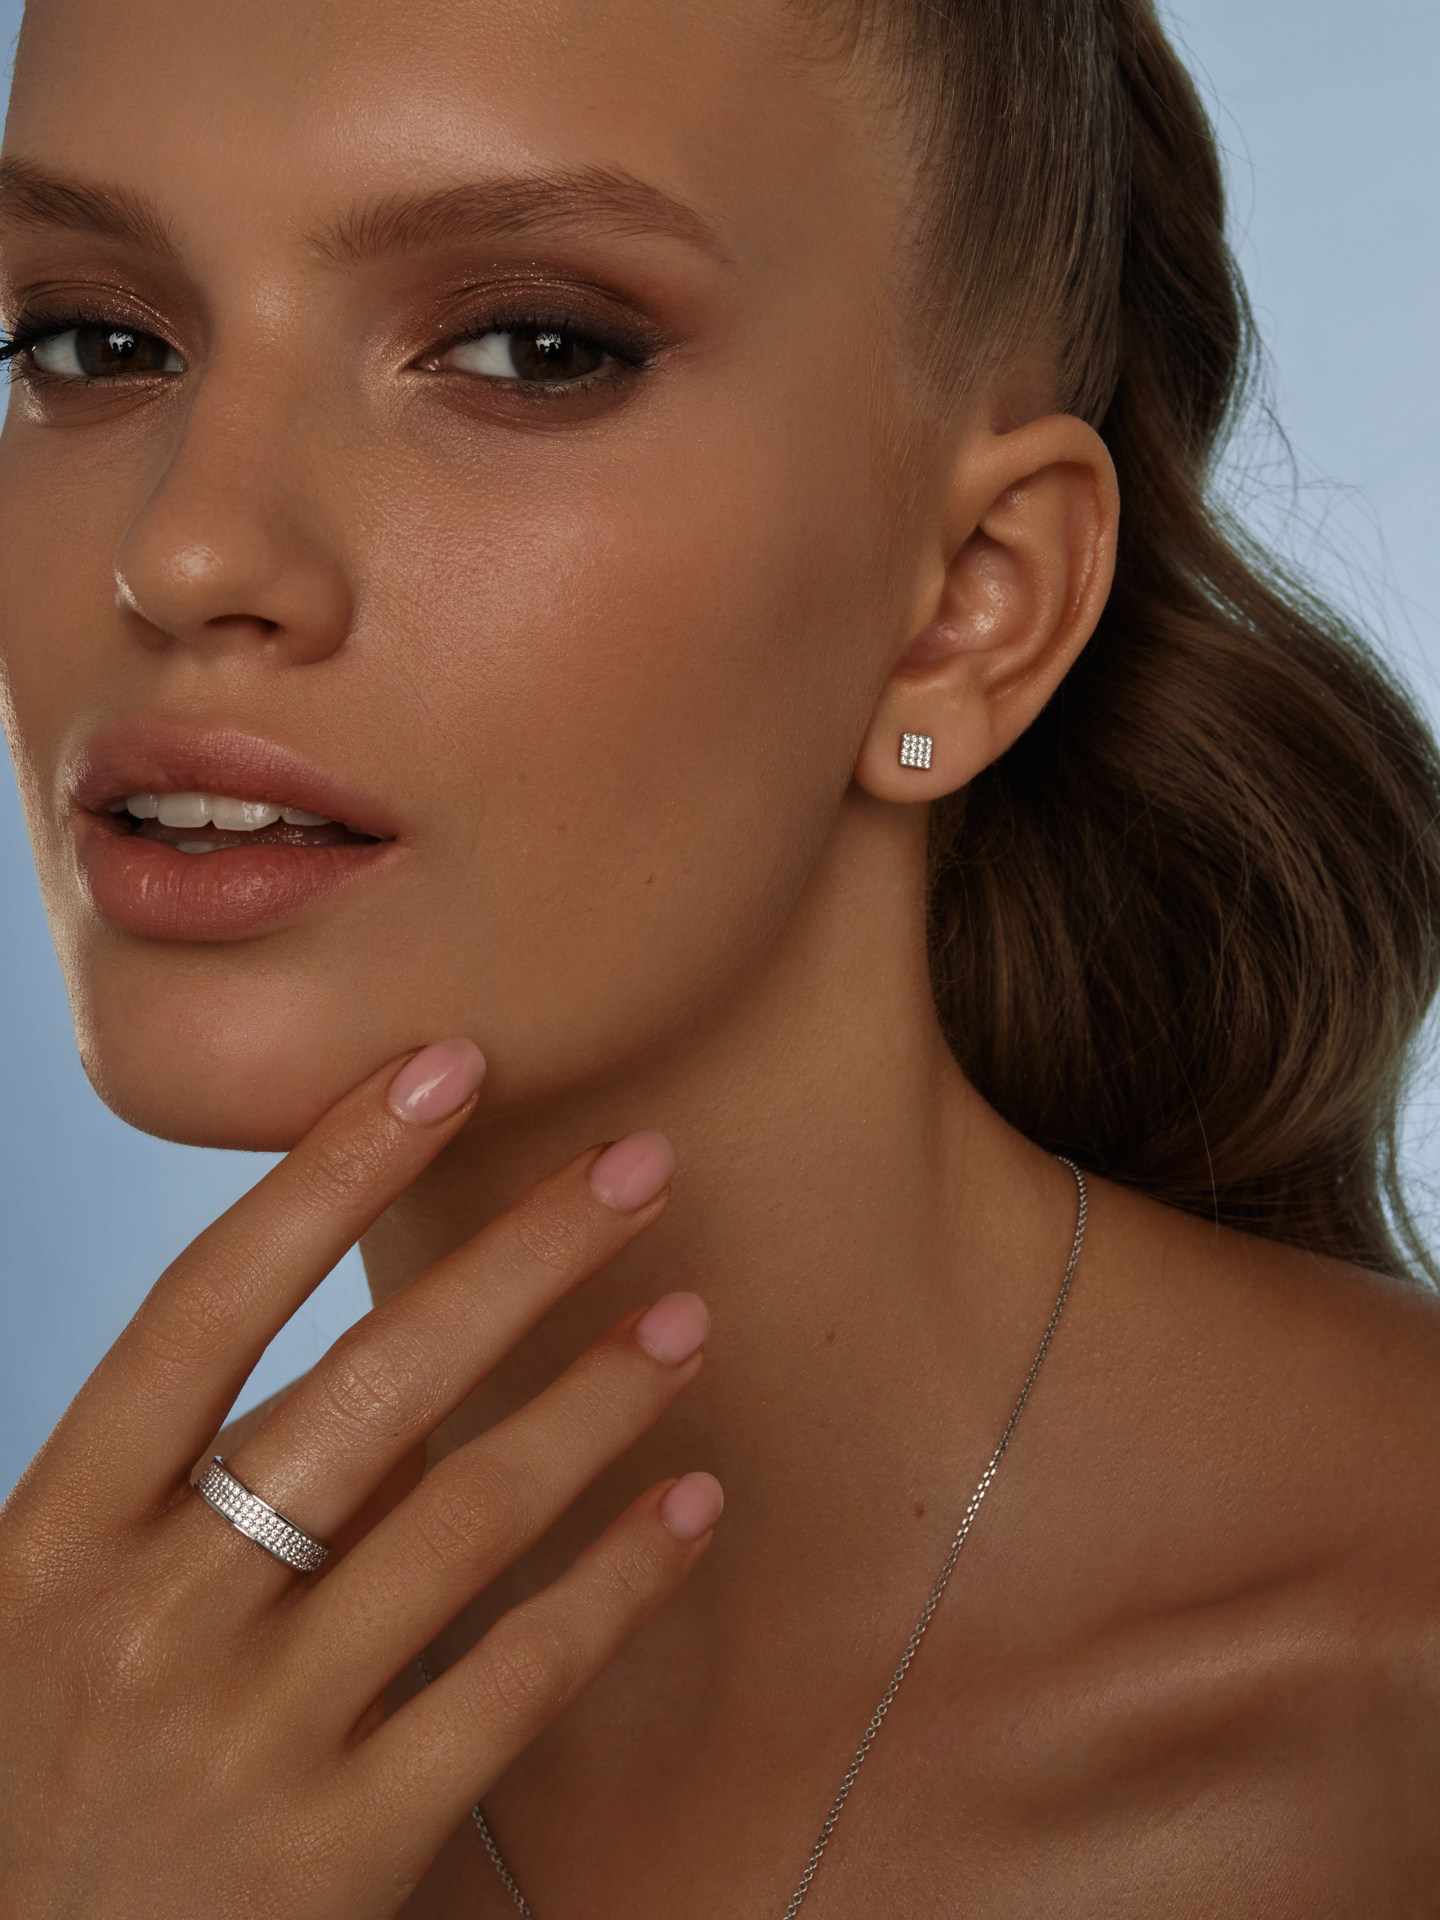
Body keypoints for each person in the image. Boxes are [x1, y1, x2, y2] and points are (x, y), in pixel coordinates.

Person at [1, 0, 1438, 1910]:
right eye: (90, 342)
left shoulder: (1393, 1683)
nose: (183, 556)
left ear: (971, 606)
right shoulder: (71, 1771)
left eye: (533, 348)